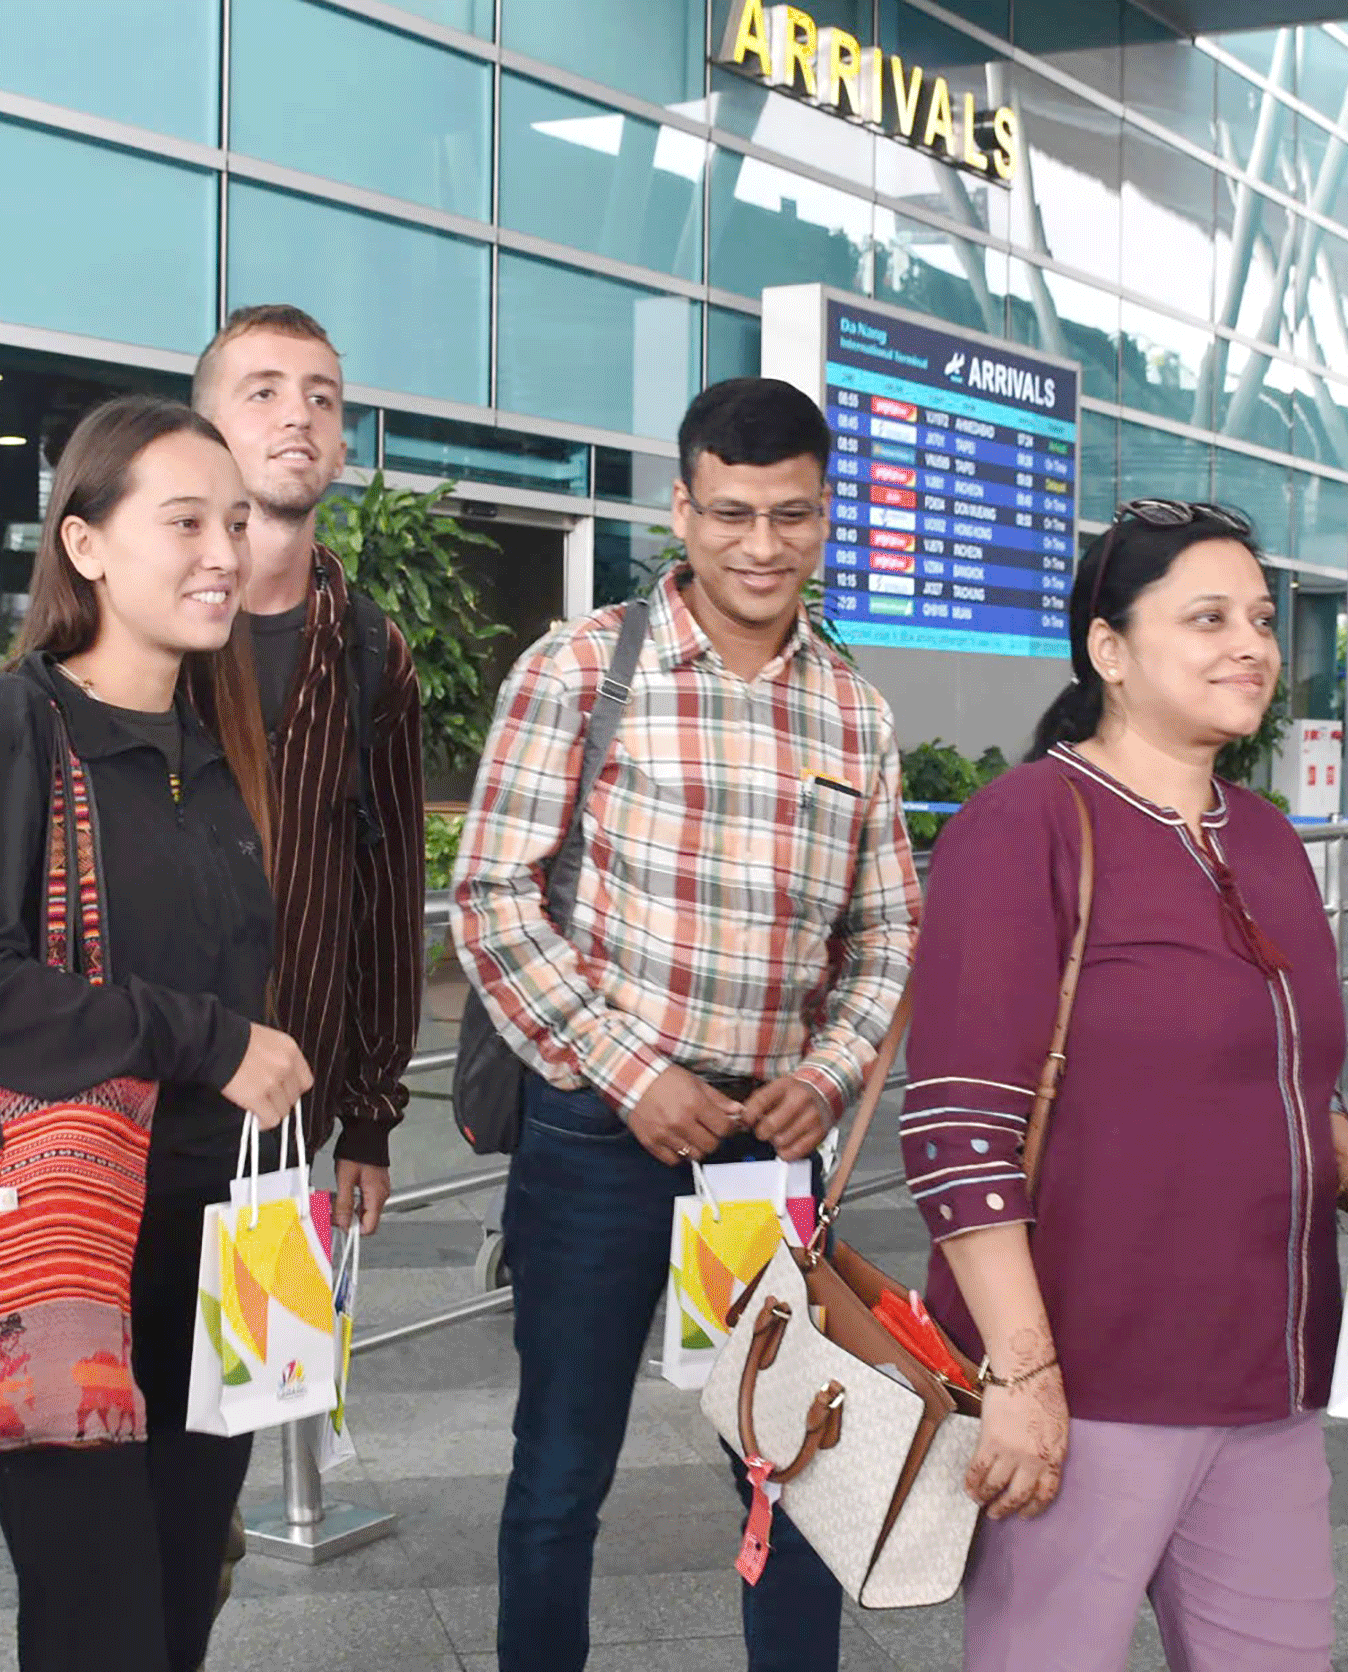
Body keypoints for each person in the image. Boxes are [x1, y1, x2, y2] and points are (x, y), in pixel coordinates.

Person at [904, 499, 1348, 1672]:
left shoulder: (1265, 838)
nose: (1249, 642)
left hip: (1270, 1376)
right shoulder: (1027, 825)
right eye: (1206, 618)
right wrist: (1025, 1375)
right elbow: (957, 1131)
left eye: (1257, 616)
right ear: (1108, 649)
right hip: (1090, 1382)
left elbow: (1292, 1068)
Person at [452, 377, 920, 1672]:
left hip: (770, 1152)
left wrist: (827, 1079)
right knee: (559, 1471)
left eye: (791, 515)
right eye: (731, 513)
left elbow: (888, 934)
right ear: (680, 509)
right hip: (598, 1136)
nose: (760, 544)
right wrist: (628, 1073)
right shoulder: (582, 668)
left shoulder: (854, 713)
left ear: (827, 518)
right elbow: (489, 896)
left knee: (793, 1468)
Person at [0, 395, 315, 1672]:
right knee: (100, 1623)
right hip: (66, 1243)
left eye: (234, 524)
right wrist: (205, 1037)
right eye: (183, 521)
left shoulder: (222, 744)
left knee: (184, 1598)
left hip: (225, 1240)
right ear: (84, 545)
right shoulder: (15, 725)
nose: (223, 554)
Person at [192, 302, 426, 1236]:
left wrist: (370, 1113)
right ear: (205, 431)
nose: (299, 416)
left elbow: (386, 891)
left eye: (321, 399)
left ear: (340, 447)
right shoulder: (142, 632)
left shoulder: (371, 650)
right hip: (126, 1121)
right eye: (264, 393)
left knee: (270, 1375)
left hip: (291, 1121)